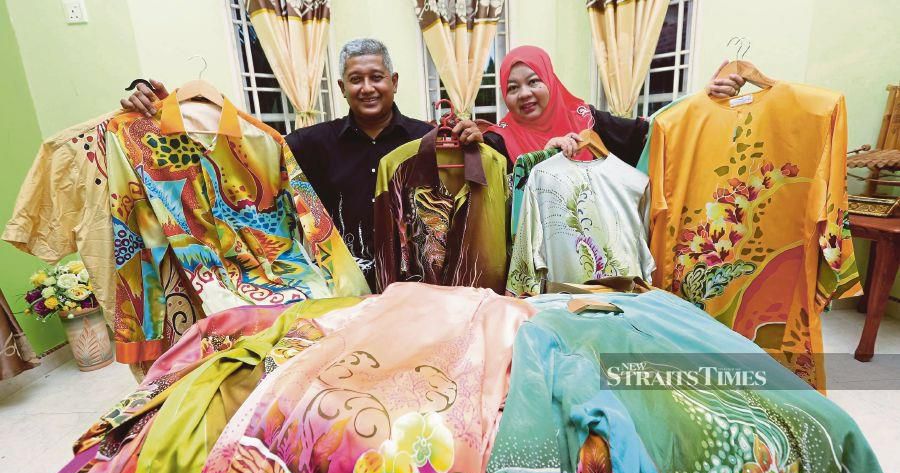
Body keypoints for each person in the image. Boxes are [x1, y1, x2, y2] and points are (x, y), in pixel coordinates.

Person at [121, 38, 484, 289]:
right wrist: (172, 112)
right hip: (341, 285)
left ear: (394, 82)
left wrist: (474, 142)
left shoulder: (426, 141)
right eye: (356, 80)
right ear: (342, 87)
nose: (367, 88)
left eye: (376, 77)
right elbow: (238, 148)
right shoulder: (310, 144)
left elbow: (467, 197)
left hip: (415, 285)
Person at [483, 45, 746, 167]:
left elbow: (650, 133)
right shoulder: (498, 140)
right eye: (512, 88)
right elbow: (498, 203)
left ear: (551, 82)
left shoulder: (587, 120)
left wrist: (703, 100)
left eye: (533, 81)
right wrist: (542, 158)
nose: (524, 94)